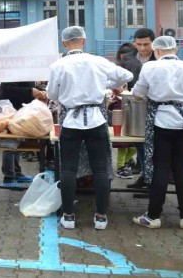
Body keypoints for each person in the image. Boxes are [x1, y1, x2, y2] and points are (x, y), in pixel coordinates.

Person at [47, 26, 133, 230]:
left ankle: (68, 216)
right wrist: (106, 81)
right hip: (96, 119)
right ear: (84, 41)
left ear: (64, 43)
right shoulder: (98, 61)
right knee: (101, 168)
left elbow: (51, 95)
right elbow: (127, 76)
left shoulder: (58, 65)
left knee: (68, 168)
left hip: (70, 120)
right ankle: (101, 216)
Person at [131, 36, 183, 230]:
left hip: (161, 121)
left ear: (156, 51)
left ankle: (153, 216)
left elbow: (137, 94)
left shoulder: (150, 67)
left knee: (161, 168)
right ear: (175, 50)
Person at [0, 82, 47, 185]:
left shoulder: (26, 72)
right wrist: (31, 91)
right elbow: (8, 89)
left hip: (21, 111)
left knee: (17, 143)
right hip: (9, 111)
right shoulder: (12, 74)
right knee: (10, 145)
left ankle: (17, 173)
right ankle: (8, 178)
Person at [129, 29, 157, 189]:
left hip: (155, 106)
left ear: (153, 43)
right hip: (135, 104)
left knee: (152, 144)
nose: (143, 48)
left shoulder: (159, 58)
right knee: (138, 141)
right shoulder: (131, 59)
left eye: (146, 44)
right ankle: (145, 175)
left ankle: (151, 179)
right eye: (139, 44)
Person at [114, 44, 142, 179]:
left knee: (122, 141)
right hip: (138, 104)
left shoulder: (119, 65)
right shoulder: (138, 63)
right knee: (135, 141)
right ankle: (125, 162)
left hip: (122, 103)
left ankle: (122, 165)